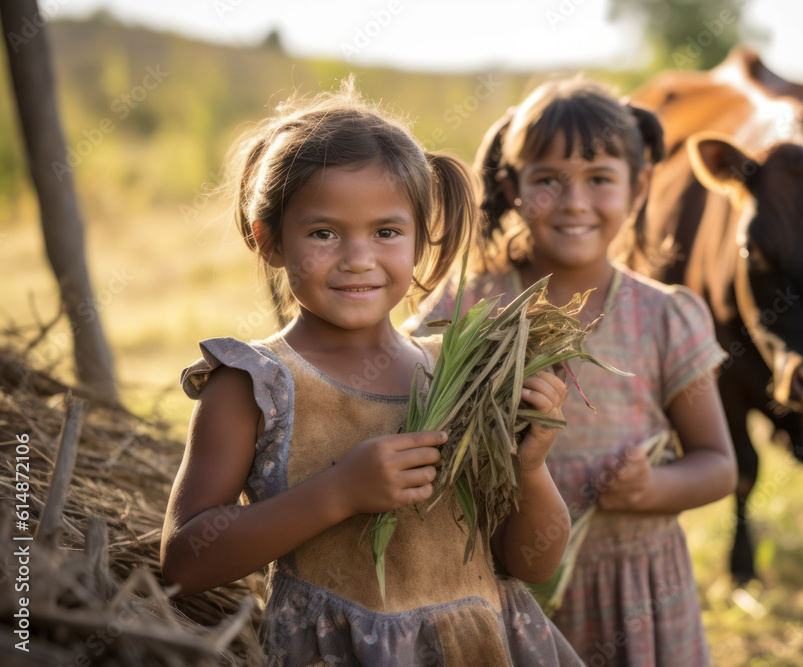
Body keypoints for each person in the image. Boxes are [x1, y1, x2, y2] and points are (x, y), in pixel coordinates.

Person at [160, 84, 585, 666]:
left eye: (386, 232)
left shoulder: (458, 377)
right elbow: (184, 562)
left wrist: (530, 467)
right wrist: (338, 493)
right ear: (270, 240)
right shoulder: (254, 384)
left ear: (418, 239)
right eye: (324, 233)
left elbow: (532, 564)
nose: (358, 257)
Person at [406, 78, 737, 666]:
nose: (574, 201)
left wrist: (652, 490)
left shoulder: (665, 316)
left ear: (638, 188)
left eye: (599, 179)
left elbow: (718, 465)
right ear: (512, 188)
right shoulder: (474, 307)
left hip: (636, 591)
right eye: (548, 180)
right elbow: (404, 385)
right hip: (503, 582)